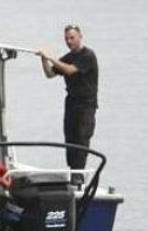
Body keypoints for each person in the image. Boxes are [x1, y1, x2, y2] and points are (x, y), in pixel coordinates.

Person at [38, 24, 98, 170]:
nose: (69, 41)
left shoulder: (88, 55)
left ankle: (79, 175)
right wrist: (43, 60)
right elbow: (50, 74)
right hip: (71, 102)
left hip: (86, 105)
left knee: (82, 138)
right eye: (66, 39)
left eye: (72, 38)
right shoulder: (68, 57)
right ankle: (72, 172)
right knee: (70, 139)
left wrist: (51, 57)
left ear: (80, 37)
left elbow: (70, 70)